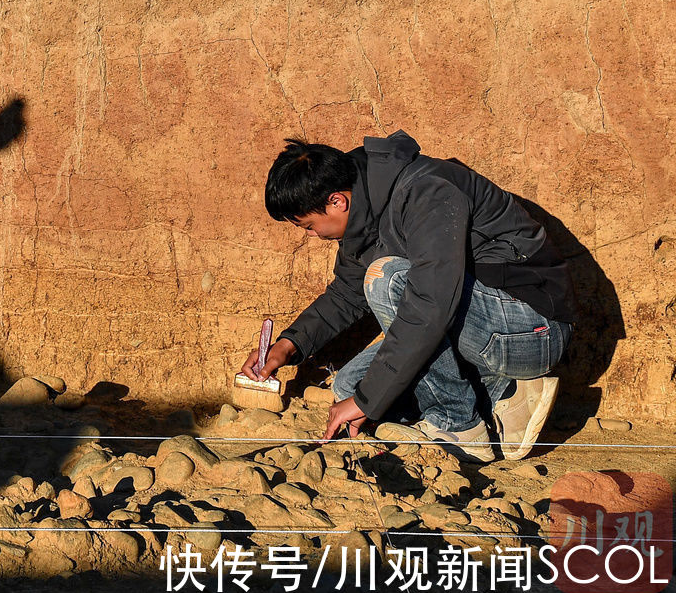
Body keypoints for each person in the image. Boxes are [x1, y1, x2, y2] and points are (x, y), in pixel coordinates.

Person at [240, 131, 576, 463]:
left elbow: (430, 306)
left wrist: (367, 401)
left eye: (309, 226)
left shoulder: (427, 192)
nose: (312, 236)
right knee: (349, 386)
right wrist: (287, 347)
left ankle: (461, 425)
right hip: (479, 331)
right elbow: (346, 295)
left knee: (386, 280)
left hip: (534, 328)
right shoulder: (365, 208)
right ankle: (505, 395)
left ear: (336, 201)